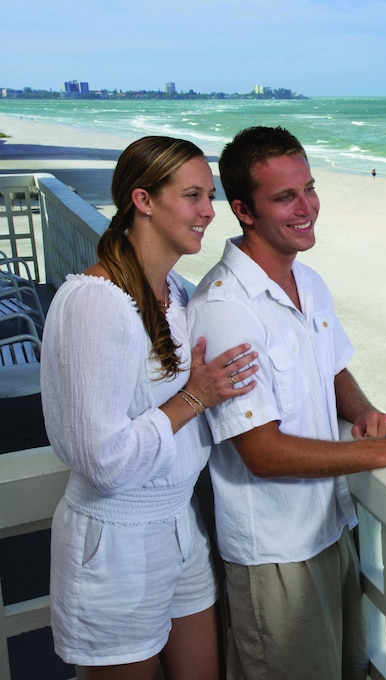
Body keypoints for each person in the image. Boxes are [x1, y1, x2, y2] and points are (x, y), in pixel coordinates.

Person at [187, 126, 386, 680]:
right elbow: (262, 453)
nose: (306, 208)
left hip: (331, 528)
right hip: (276, 554)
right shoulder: (225, 309)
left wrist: (364, 411)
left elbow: (332, 368)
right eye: (285, 197)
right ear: (243, 210)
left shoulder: (308, 280)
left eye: (309, 188)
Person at [40, 136, 260, 679]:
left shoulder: (176, 295)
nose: (209, 211)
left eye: (210, 196)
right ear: (143, 200)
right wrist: (195, 397)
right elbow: (103, 462)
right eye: (192, 196)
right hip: (114, 541)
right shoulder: (95, 303)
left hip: (180, 524)